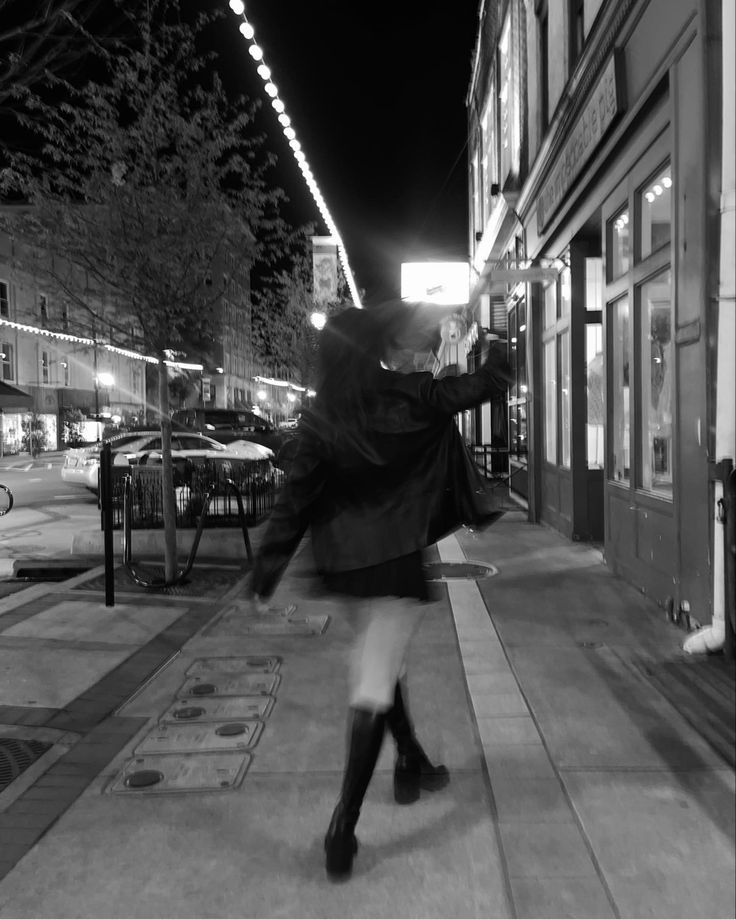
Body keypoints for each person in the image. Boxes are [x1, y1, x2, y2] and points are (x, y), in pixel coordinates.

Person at [249, 305, 510, 882]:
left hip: (345, 567)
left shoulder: (322, 415)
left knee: (381, 666)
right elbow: (489, 382)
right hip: (392, 564)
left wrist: (267, 570)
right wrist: (493, 343)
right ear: (372, 346)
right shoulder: (409, 394)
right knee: (373, 684)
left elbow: (297, 498)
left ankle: (411, 762)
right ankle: (343, 825)